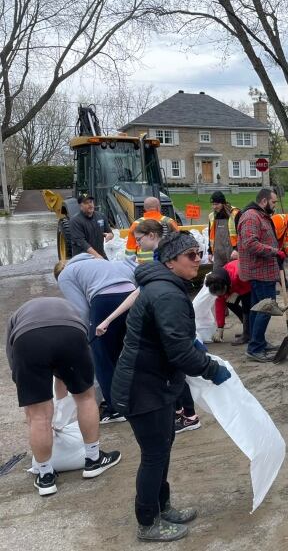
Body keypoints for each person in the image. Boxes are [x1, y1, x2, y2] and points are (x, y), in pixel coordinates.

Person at [111, 232, 231, 542]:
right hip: (143, 388)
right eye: (191, 255)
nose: (198, 259)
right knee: (154, 454)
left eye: (199, 253)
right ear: (170, 261)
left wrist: (191, 345)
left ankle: (162, 506)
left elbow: (171, 339)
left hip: (156, 384)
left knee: (162, 449)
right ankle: (148, 521)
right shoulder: (166, 294)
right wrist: (211, 368)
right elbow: (179, 352)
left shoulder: (164, 288)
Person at [96, 220, 204, 434]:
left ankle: (189, 415)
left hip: (171, 319)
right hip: (169, 320)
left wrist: (109, 318)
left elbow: (143, 293)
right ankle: (181, 410)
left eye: (139, 239)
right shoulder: (160, 261)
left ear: (152, 236)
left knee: (178, 363)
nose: (137, 244)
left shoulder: (163, 260)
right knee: (175, 365)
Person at [6, 297, 122, 496]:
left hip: (27, 341)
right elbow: (70, 362)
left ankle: (45, 477)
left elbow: (13, 358)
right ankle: (93, 460)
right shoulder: (68, 307)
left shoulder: (16, 317)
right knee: (85, 398)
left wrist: (32, 402)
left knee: (39, 416)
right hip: (71, 334)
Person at [55, 253, 137, 423]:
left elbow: (81, 310)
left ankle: (115, 409)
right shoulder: (102, 262)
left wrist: (87, 336)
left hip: (104, 301)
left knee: (103, 359)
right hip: (131, 297)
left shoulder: (65, 274)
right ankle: (137, 398)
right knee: (127, 353)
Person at [238, 188, 285, 362]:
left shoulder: (260, 215)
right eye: (273, 202)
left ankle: (258, 341)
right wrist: (274, 252)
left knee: (257, 309)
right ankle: (255, 348)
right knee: (266, 309)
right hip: (259, 272)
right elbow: (250, 243)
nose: (274, 206)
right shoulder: (251, 216)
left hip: (263, 271)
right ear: (264, 201)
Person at [206, 261, 252, 346]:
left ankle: (247, 334)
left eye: (222, 293)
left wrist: (237, 292)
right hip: (234, 286)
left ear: (225, 285)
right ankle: (248, 328)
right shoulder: (217, 281)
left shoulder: (237, 274)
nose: (222, 296)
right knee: (230, 303)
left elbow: (249, 285)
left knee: (247, 306)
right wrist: (220, 329)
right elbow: (220, 306)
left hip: (247, 283)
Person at [125, 197, 179, 263]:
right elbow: (178, 243)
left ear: (144, 209)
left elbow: (130, 252)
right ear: (159, 208)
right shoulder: (169, 221)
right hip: (166, 262)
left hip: (144, 265)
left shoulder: (136, 224)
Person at [69, 194, 113, 259]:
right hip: (83, 258)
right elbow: (82, 243)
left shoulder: (101, 216)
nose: (90, 204)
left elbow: (110, 232)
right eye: (86, 203)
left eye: (91, 202)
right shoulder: (75, 221)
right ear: (81, 206)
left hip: (99, 255)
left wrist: (110, 235)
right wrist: (97, 256)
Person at [206, 191, 241, 270]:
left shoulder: (235, 214)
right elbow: (210, 235)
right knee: (217, 277)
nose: (214, 207)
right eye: (213, 204)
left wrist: (237, 250)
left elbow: (242, 234)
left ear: (223, 203)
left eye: (217, 204)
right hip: (218, 254)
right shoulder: (212, 216)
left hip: (232, 253)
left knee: (233, 276)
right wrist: (210, 252)